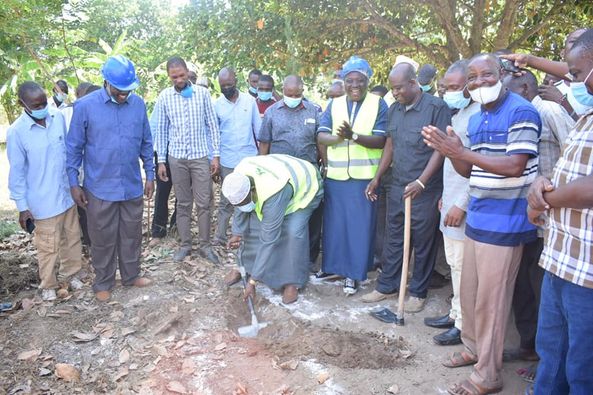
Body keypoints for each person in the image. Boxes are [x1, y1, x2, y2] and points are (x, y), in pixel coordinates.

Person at [422, 53, 541, 395]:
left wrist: (461, 153)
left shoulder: (521, 111)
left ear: (502, 74)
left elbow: (515, 166)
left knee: (491, 302)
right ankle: (473, 349)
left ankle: (488, 375)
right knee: (472, 294)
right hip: (479, 215)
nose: (478, 83)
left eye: (485, 75)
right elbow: (469, 170)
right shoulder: (475, 119)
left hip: (506, 223)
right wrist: (454, 151)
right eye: (472, 78)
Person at [526, 28, 593, 394]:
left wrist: (545, 199)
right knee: (552, 356)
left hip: (588, 273)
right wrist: (542, 184)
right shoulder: (588, 117)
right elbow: (568, 169)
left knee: (583, 368)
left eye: (578, 73)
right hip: (561, 258)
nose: (573, 80)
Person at [66, 55, 154, 302]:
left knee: (131, 234)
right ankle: (103, 281)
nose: (124, 94)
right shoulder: (85, 107)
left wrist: (149, 174)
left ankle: (131, 275)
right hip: (99, 186)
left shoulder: (138, 105)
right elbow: (73, 148)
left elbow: (146, 141)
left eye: (128, 89)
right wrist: (74, 183)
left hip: (131, 185)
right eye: (119, 89)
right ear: (106, 82)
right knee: (102, 238)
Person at [502, 70, 574, 371]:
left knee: (541, 285)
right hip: (526, 213)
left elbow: (574, 152)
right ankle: (528, 346)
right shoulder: (518, 114)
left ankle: (548, 361)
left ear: (526, 85)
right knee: (524, 285)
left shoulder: (549, 110)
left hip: (552, 216)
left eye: (511, 90)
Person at [364, 62, 450, 312]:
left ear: (413, 83)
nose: (396, 93)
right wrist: (378, 177)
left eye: (399, 88)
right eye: (393, 89)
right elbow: (390, 144)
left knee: (423, 241)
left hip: (425, 188)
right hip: (398, 185)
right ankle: (386, 285)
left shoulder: (437, 108)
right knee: (394, 238)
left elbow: (441, 149)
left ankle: (417, 292)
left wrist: (422, 182)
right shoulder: (394, 110)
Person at [317, 56, 388, 295]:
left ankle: (354, 274)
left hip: (364, 178)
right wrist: (339, 138)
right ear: (344, 81)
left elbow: (381, 140)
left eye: (359, 81)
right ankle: (334, 267)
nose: (354, 85)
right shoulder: (334, 104)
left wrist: (353, 136)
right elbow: (321, 136)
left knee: (359, 228)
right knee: (336, 226)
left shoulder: (378, 104)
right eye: (350, 81)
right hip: (337, 177)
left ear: (367, 81)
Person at [7, 81, 83, 301]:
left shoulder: (57, 117)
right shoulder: (17, 132)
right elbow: (17, 173)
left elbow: (69, 153)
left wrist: (75, 183)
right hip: (43, 201)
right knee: (48, 247)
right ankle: (48, 284)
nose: (42, 107)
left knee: (72, 239)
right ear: (23, 104)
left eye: (43, 102)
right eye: (36, 104)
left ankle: (72, 274)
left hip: (66, 194)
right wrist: (22, 208)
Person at [423, 60, 480, 346]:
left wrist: (462, 204)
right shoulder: (458, 115)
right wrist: (447, 198)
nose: (449, 92)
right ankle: (456, 314)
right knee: (454, 264)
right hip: (451, 202)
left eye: (456, 87)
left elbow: (480, 167)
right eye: (446, 87)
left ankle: (463, 325)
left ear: (470, 85)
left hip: (463, 207)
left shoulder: (479, 116)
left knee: (461, 267)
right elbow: (451, 161)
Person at [222, 154, 323, 304]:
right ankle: (245, 267)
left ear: (253, 191)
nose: (243, 205)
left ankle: (292, 281)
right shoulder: (239, 177)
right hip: (282, 175)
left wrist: (252, 282)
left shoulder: (272, 191)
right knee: (254, 224)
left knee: (292, 232)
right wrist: (237, 232)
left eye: (245, 200)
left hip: (305, 189)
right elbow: (240, 207)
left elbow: (269, 240)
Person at [154, 56, 221, 263]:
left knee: (204, 203)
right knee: (183, 203)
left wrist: (215, 156)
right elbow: (162, 130)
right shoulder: (165, 97)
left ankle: (205, 245)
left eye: (181, 75)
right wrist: (162, 161)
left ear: (187, 72)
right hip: (177, 158)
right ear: (169, 76)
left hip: (200, 156)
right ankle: (185, 245)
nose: (178, 79)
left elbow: (212, 126)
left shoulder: (202, 94)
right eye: (174, 77)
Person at [257, 75, 322, 270]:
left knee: (310, 217)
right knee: (281, 216)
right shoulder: (271, 112)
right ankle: (279, 257)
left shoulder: (315, 111)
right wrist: (262, 168)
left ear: (303, 91)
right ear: (282, 90)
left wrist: (322, 164)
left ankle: (310, 258)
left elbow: (320, 141)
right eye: (289, 94)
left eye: (297, 94)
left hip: (308, 174)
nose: (293, 97)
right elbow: (265, 142)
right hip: (280, 177)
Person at [213, 67, 261, 246]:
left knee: (248, 197)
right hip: (227, 159)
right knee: (226, 200)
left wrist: (261, 158)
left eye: (229, 84)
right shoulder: (216, 105)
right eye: (223, 85)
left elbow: (258, 129)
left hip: (248, 159)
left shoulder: (250, 102)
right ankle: (220, 237)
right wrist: (215, 159)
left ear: (237, 81)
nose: (226, 88)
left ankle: (240, 235)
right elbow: (214, 134)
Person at [501, 28, 590, 120]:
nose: (578, 46)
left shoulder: (587, 81)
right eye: (574, 41)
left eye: (583, 42)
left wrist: (563, 103)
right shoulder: (549, 89)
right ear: (563, 52)